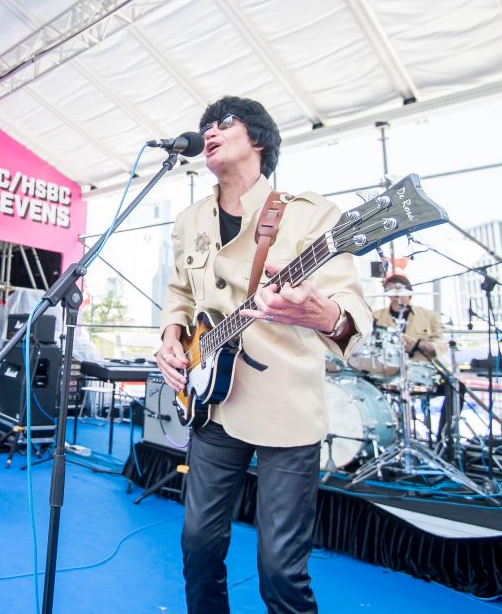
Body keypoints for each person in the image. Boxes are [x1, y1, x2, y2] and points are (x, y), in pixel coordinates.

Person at [154, 96, 372, 613]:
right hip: (213, 404)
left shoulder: (310, 214)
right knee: (198, 548)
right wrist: (170, 336)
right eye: (205, 123)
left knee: (280, 571)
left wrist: (327, 315)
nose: (208, 130)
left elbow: (349, 304)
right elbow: (179, 292)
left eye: (223, 122)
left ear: (259, 140)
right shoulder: (189, 220)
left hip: (286, 408)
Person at [372, 274, 445, 362]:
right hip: (387, 367)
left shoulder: (429, 316)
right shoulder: (375, 316)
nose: (396, 293)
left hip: (420, 367)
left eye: (399, 289)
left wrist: (433, 347)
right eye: (391, 289)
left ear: (409, 290)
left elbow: (442, 341)